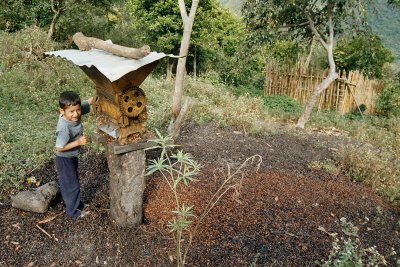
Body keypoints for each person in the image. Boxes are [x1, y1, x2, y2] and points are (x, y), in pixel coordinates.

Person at [55, 91, 93, 219]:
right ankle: (73, 212)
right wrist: (78, 142)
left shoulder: (75, 111)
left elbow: (89, 102)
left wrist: (99, 95)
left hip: (71, 156)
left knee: (73, 182)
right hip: (64, 159)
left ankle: (77, 204)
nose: (76, 114)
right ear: (62, 111)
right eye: (71, 112)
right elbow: (59, 148)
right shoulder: (64, 127)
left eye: (77, 110)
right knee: (71, 186)